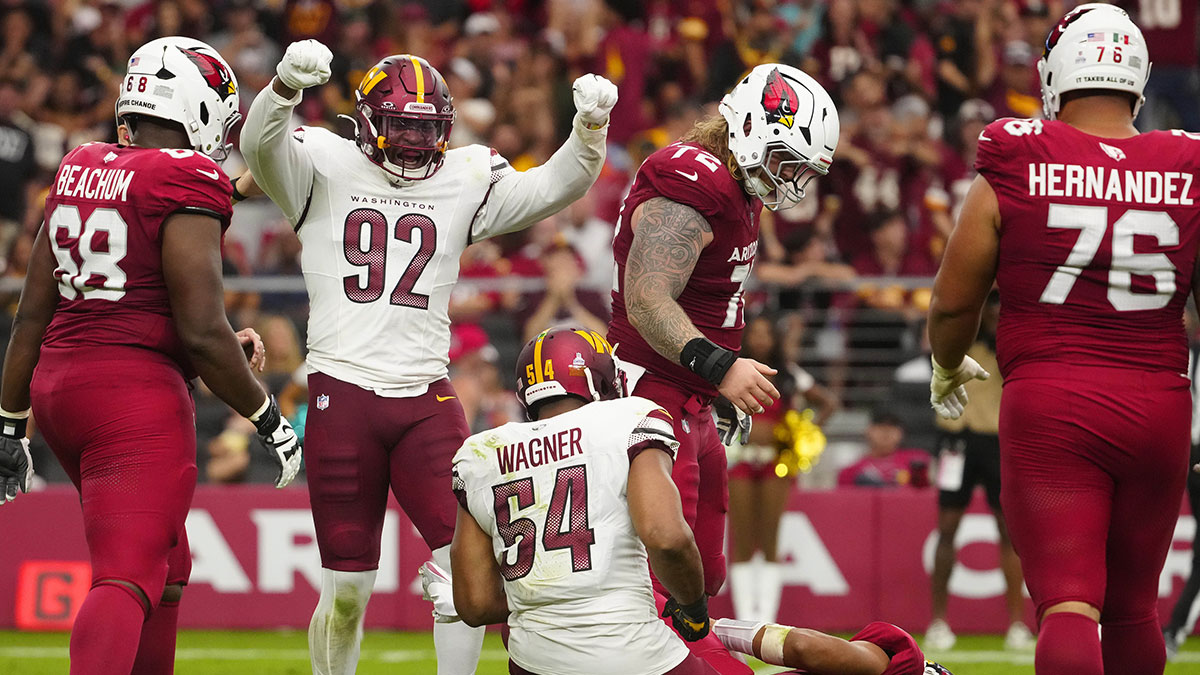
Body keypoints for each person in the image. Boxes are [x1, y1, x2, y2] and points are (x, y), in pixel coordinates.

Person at [238, 39, 617, 675]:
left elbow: (554, 188)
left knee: (464, 567)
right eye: (400, 127)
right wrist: (281, 88)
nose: (414, 143)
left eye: (425, 129)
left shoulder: (462, 176)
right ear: (366, 125)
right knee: (347, 591)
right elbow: (258, 148)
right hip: (344, 390)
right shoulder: (322, 161)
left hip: (426, 396)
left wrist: (588, 131)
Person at [0, 37, 300, 675]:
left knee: (167, 561)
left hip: (60, 388)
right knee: (127, 572)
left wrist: (7, 422)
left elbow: (32, 311)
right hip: (129, 398)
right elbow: (201, 331)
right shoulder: (183, 178)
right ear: (202, 106)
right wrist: (268, 417)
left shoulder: (81, 164)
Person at [927, 5, 1200, 674]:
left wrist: (945, 361)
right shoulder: (1187, 162)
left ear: (1055, 73)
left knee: (1070, 601)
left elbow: (955, 296)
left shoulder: (1018, 155)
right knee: (1135, 606)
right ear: (1137, 77)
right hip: (1160, 401)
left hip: (1052, 400)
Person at [431, 326, 953, 675]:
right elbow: (666, 536)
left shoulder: (480, 452)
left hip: (536, 663)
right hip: (635, 656)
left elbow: (475, 606)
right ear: (600, 378)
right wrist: (697, 609)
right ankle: (909, 667)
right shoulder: (627, 419)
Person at [606, 62, 839, 602]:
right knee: (667, 574)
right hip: (651, 395)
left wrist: (714, 382)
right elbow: (646, 299)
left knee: (705, 578)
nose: (792, 179)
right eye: (787, 161)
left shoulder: (736, 184)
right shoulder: (695, 182)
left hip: (692, 395)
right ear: (753, 129)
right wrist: (722, 366)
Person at [925, 292, 1032, 653]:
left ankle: (1017, 624)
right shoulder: (961, 336)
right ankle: (938, 622)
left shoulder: (1012, 342)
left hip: (999, 441)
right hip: (955, 440)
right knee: (947, 529)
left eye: (1004, 306)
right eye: (992, 306)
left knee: (1008, 530)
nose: (998, 313)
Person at [727, 314, 838, 623]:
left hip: (777, 462)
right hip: (740, 460)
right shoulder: (732, 372)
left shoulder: (789, 373)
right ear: (746, 338)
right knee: (743, 539)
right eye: (756, 334)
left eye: (767, 334)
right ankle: (747, 617)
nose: (761, 339)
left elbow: (828, 401)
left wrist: (805, 432)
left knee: (771, 537)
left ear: (775, 339)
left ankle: (767, 618)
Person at [836, 411, 930, 488]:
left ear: (901, 433)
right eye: (880, 427)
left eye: (892, 428)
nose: (886, 432)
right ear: (868, 430)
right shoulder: (850, 472)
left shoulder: (917, 461)